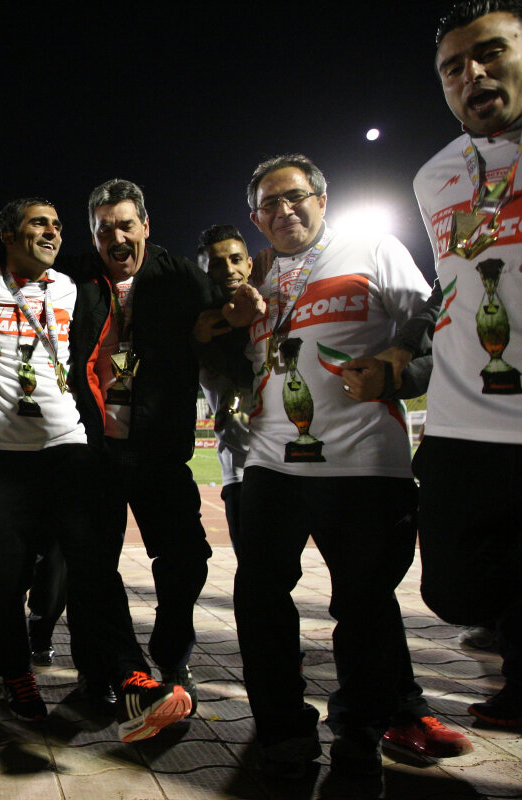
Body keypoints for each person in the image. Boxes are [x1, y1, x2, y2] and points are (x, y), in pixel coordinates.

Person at [222, 154, 471, 777]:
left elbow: (433, 325)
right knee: (258, 600)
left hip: (364, 464)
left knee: (364, 608)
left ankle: (359, 732)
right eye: (269, 204)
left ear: (322, 200)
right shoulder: (254, 276)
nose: (284, 211)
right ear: (255, 218)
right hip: (271, 464)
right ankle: (283, 731)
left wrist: (397, 373)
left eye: (295, 197)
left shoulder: (373, 248)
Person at [0, 198, 192, 741]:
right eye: (39, 224)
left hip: (68, 444)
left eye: (58, 226)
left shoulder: (68, 286)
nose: (53, 232)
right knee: (7, 575)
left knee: (93, 564)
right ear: (9, 234)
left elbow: (133, 266)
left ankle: (131, 677)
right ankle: (17, 673)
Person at [349, 0, 522, 734]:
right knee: (452, 589)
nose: (472, 74)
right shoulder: (434, 177)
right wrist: (406, 348)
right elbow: (448, 284)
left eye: (491, 52)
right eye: (454, 67)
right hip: (462, 420)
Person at [63, 179, 217, 713]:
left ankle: (172, 654)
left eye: (126, 225)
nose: (117, 238)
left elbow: (228, 312)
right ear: (93, 235)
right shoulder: (76, 275)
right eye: (104, 229)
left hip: (159, 451)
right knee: (88, 568)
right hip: (95, 451)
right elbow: (14, 261)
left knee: (187, 558)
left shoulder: (180, 277)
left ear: (146, 226)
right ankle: (100, 673)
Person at [194, 225, 255, 542]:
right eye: (217, 264)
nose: (229, 270)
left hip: (296, 465)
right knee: (255, 569)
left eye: (236, 259)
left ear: (250, 264)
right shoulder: (198, 326)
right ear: (203, 273)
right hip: (240, 472)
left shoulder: (276, 310)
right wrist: (198, 341)